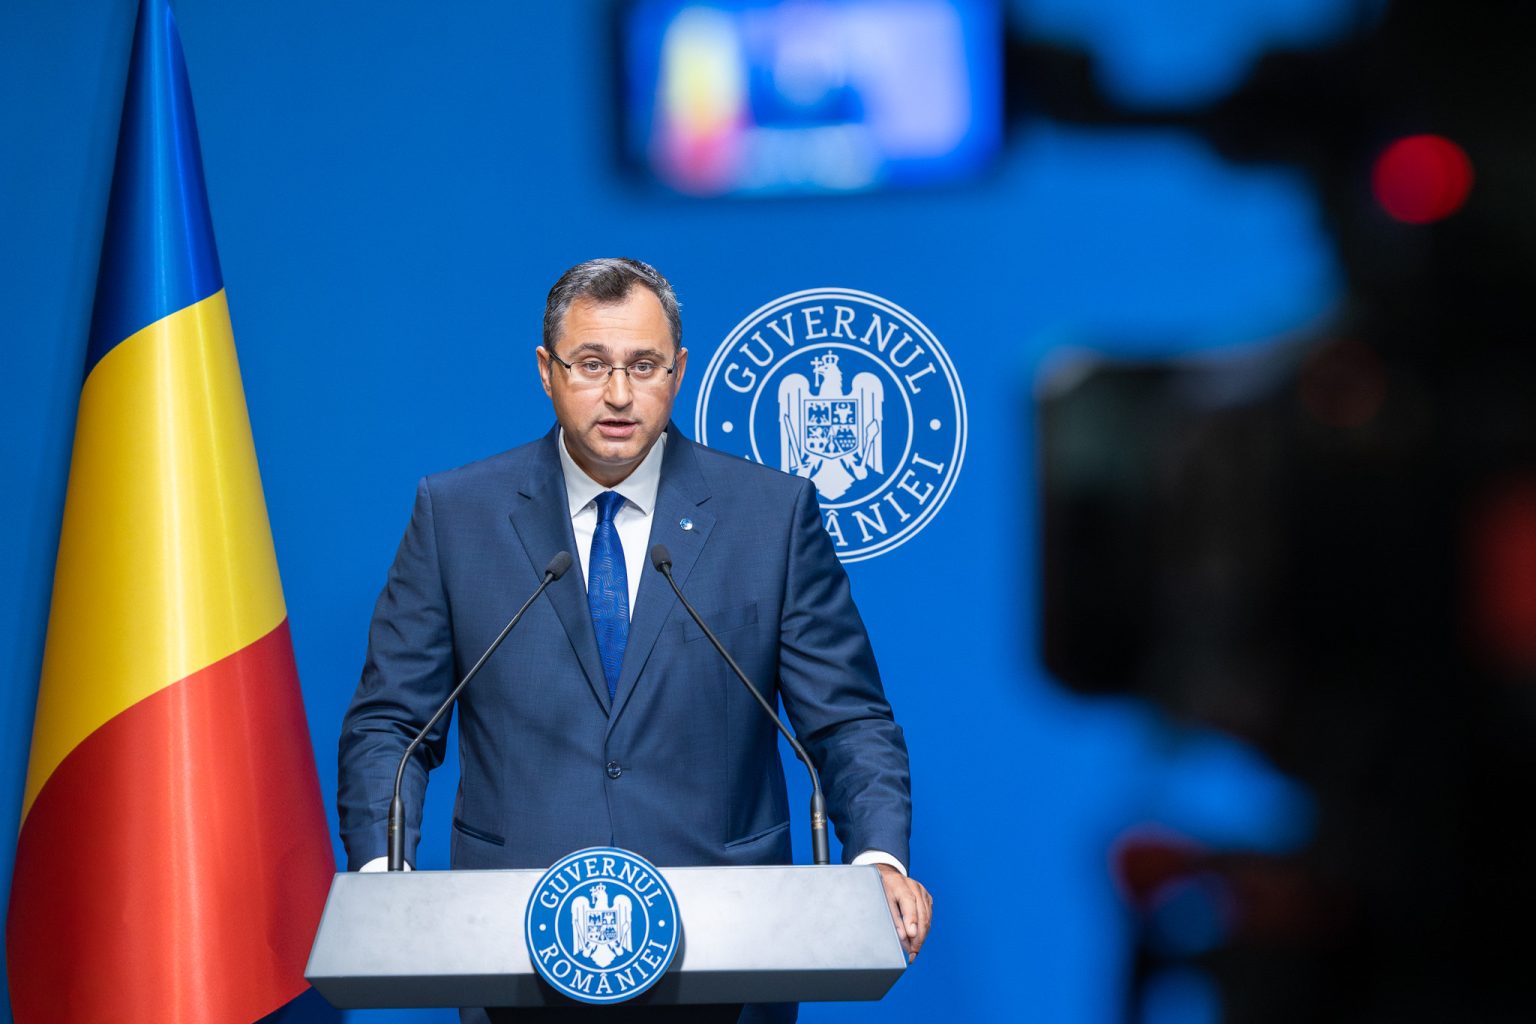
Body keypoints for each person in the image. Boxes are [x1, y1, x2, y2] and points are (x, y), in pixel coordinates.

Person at [337, 258, 931, 1023]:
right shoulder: (457, 516)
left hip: (731, 953)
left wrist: (876, 855)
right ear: (546, 372)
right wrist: (385, 869)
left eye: (643, 366)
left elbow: (846, 720)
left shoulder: (770, 516)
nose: (618, 394)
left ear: (678, 372)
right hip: (515, 949)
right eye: (591, 365)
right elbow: (393, 722)